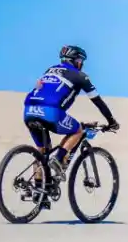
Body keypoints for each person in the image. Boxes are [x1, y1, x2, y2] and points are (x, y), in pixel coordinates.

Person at [23, 45, 120, 188]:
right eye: (81, 60)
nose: (82, 64)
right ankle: (59, 157)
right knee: (77, 130)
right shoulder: (81, 76)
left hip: (29, 111)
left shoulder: (50, 70)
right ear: (75, 61)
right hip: (50, 112)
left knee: (42, 152)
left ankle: (38, 192)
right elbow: (97, 101)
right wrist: (111, 121)